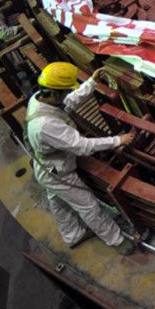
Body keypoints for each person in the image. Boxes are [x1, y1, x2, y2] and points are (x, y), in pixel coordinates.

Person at [26, 62, 137, 254]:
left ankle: (73, 235)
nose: (67, 95)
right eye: (65, 92)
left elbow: (68, 103)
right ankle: (116, 240)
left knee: (58, 202)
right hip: (58, 172)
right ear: (54, 93)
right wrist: (118, 140)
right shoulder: (45, 125)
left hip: (46, 168)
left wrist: (91, 83)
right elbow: (83, 146)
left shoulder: (41, 99)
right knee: (89, 206)